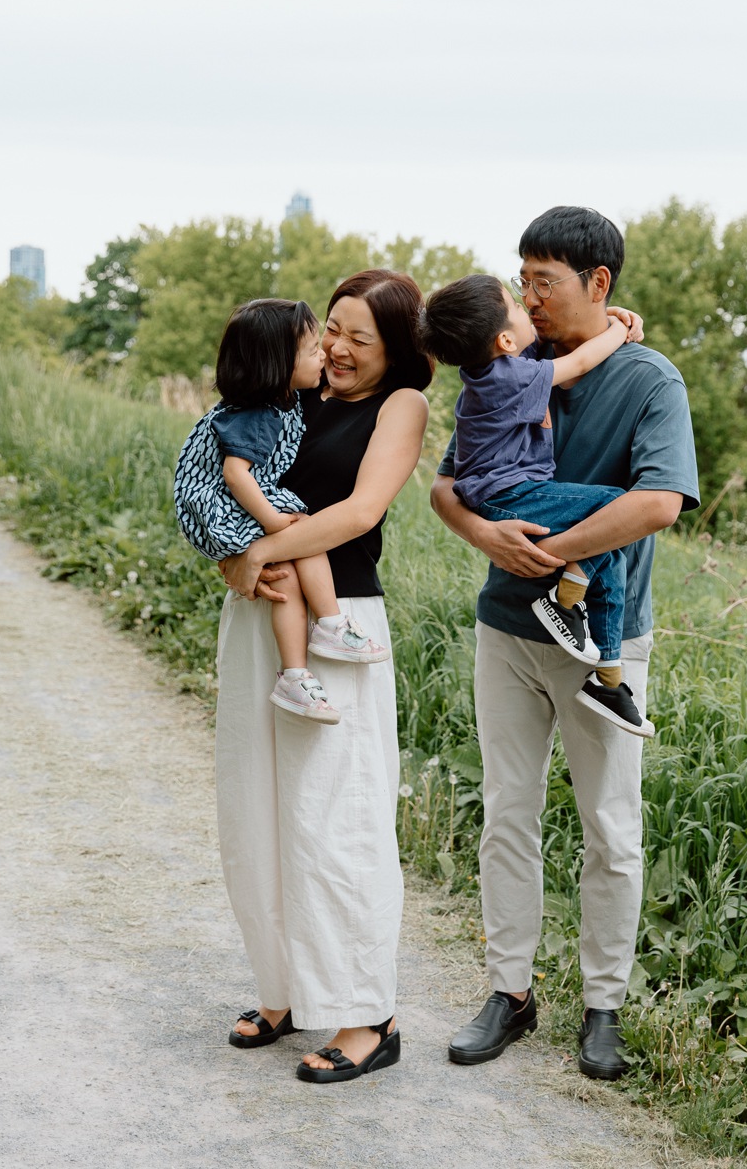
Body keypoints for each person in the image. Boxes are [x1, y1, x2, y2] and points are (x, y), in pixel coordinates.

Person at [431, 207, 699, 1079]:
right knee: (507, 815)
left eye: (543, 280)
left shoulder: (651, 381)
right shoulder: (508, 363)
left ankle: (603, 1007)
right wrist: (490, 542)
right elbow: (446, 490)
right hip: (505, 630)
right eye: (523, 278)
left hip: (603, 647)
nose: (528, 295)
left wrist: (544, 548)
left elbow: (657, 503)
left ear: (600, 285)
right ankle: (508, 992)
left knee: (610, 831)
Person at [214, 270, 432, 1083]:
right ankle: (284, 990)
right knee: (256, 804)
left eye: (359, 338)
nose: (336, 348)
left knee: (337, 815)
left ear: (398, 350)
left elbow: (357, 513)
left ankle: (365, 1011)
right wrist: (234, 568)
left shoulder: (399, 407)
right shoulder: (286, 396)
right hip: (261, 614)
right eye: (330, 330)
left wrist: (258, 552)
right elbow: (226, 484)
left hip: (341, 627)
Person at [418, 273, 653, 738]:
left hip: (500, 495)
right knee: (613, 507)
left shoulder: (489, 369)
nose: (529, 306)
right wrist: (618, 331)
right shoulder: (513, 377)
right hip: (511, 497)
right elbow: (583, 360)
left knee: (607, 560)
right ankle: (565, 596)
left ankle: (607, 676)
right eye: (518, 304)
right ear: (505, 339)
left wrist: (610, 314)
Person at [173, 298, 389, 726]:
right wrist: (272, 523)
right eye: (314, 349)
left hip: (228, 503)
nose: (325, 353)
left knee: (288, 568)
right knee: (302, 529)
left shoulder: (279, 400)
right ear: (278, 366)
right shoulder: (258, 413)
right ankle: (329, 624)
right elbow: (236, 474)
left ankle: (295, 672)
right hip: (220, 503)